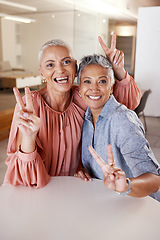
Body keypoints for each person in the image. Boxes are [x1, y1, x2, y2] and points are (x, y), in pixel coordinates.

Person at [3, 34, 141, 188]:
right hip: (37, 187)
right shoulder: (29, 105)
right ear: (42, 73)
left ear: (75, 68)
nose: (60, 70)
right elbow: (23, 176)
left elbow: (126, 103)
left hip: (72, 187)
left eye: (66, 62)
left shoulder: (84, 96)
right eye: (50, 65)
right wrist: (29, 136)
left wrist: (117, 69)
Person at [76, 54, 160, 201]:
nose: (94, 88)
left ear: (112, 86)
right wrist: (85, 171)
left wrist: (126, 186)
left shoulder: (122, 120)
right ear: (79, 88)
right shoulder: (87, 118)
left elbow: (154, 181)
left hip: (139, 205)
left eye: (102, 81)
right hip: (106, 202)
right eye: (87, 81)